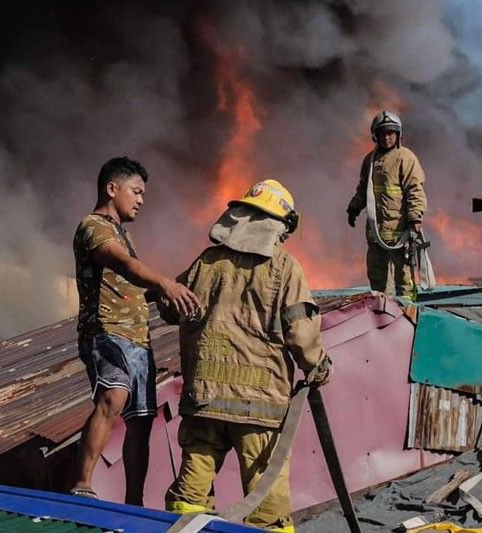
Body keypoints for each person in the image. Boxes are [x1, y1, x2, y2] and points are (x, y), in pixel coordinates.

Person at [162, 179, 331, 532]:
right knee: (266, 505)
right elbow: (301, 333)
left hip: (204, 401)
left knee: (190, 494)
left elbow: (169, 306)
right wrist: (319, 367)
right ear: (282, 224)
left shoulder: (206, 262)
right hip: (260, 407)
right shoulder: (284, 267)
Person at [71, 156, 200, 506]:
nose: (141, 200)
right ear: (112, 188)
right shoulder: (94, 226)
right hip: (106, 331)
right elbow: (123, 264)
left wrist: (159, 294)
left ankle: (135, 500)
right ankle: (82, 482)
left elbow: (129, 285)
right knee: (113, 397)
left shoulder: (123, 235)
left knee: (141, 420)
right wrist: (164, 283)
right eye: (136, 191)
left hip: (137, 337)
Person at [346, 110, 428, 298]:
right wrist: (354, 208)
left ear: (398, 135)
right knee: (377, 280)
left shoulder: (405, 158)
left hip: (400, 232)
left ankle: (408, 316)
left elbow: (414, 190)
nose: (386, 137)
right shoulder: (370, 160)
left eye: (390, 133)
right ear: (375, 136)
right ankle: (382, 318)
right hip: (376, 233)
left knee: (404, 280)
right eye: (382, 133)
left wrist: (416, 217)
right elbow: (363, 188)